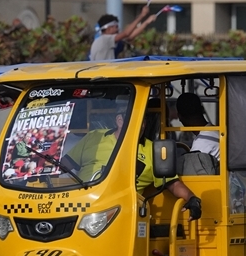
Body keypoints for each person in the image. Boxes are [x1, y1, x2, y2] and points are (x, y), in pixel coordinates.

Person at [63, 100, 202, 218]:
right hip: (81, 204)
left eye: (143, 121)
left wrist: (192, 198)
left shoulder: (152, 150)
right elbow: (64, 164)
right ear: (119, 121)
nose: (140, 126)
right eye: (134, 121)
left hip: (123, 212)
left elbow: (173, 183)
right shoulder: (94, 137)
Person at [89, 5, 158, 61]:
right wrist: (142, 15)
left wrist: (147, 22)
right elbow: (126, 33)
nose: (118, 29)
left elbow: (130, 37)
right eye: (116, 27)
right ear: (109, 28)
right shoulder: (104, 39)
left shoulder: (108, 41)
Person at [175, 93, 220, 160]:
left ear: (179, 116)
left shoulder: (202, 142)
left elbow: (192, 168)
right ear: (202, 110)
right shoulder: (215, 131)